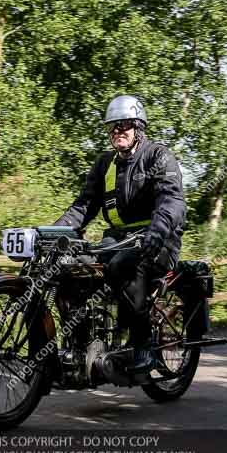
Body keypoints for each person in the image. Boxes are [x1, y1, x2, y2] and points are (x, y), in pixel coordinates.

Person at [53, 94, 192, 370]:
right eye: (113, 127)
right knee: (71, 269)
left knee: (125, 266)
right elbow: (83, 207)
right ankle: (79, 346)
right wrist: (53, 233)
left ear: (138, 127)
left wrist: (157, 231)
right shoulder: (105, 163)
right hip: (116, 240)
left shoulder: (158, 156)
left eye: (124, 125)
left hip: (158, 240)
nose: (118, 131)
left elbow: (171, 201)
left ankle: (143, 346)